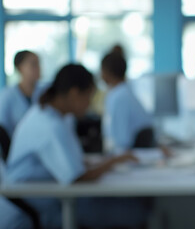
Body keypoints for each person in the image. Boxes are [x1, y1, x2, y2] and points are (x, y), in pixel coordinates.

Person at [3, 64, 148, 228]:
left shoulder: (54, 116)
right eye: (88, 97)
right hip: (44, 206)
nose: (89, 105)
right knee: (134, 212)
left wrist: (104, 163)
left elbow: (72, 163)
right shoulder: (50, 125)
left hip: (51, 196)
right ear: (74, 94)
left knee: (126, 204)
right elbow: (76, 178)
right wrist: (113, 162)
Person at [101, 45, 154, 152]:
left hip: (133, 154)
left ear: (107, 72)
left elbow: (122, 141)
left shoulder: (118, 96)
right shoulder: (124, 91)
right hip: (138, 150)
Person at [0, 50, 43, 138]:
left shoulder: (45, 92)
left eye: (39, 64)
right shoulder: (7, 96)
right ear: (20, 68)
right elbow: (2, 129)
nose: (39, 68)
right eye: (33, 64)